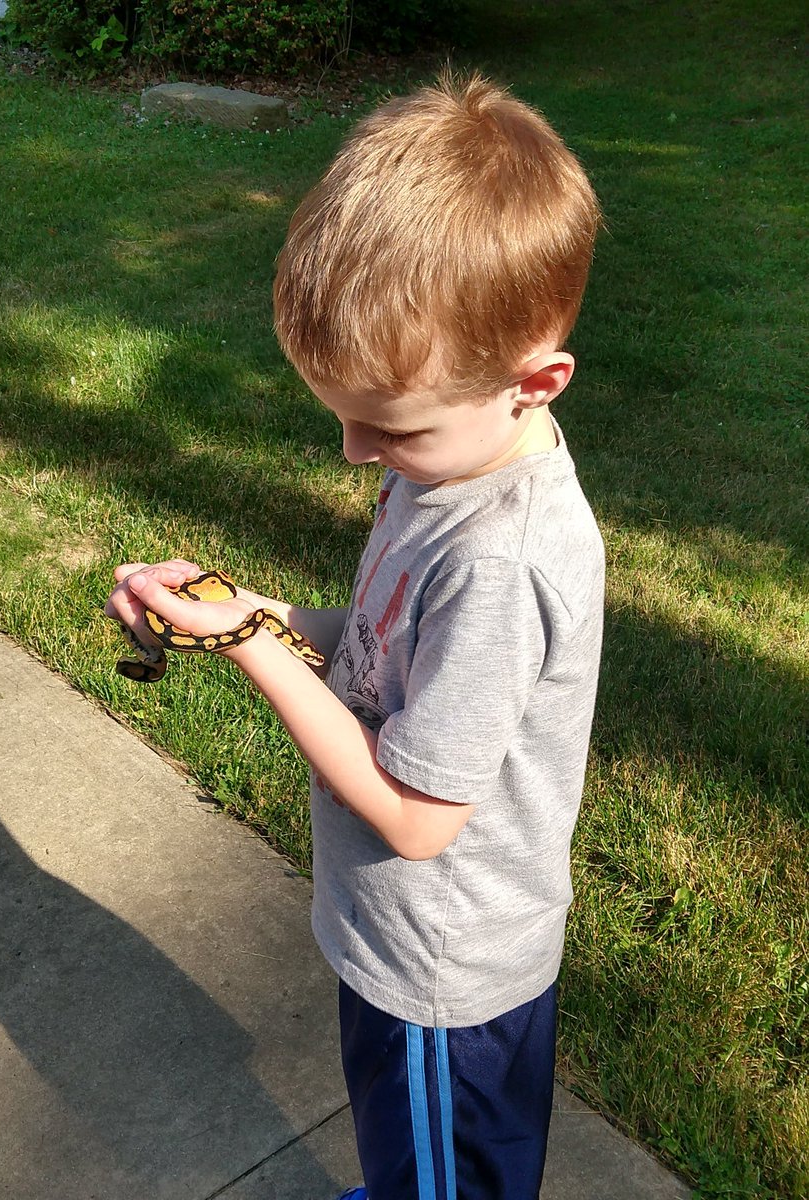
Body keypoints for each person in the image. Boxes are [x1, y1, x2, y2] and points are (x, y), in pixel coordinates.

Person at [106, 73, 604, 1200]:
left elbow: (420, 818)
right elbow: (380, 648)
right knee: (409, 1161)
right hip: (397, 947)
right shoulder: (449, 472)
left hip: (445, 976)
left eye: (388, 427)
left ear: (534, 384)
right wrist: (245, 612)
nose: (354, 453)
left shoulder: (502, 560)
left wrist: (252, 649)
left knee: (439, 1170)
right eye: (342, 416)